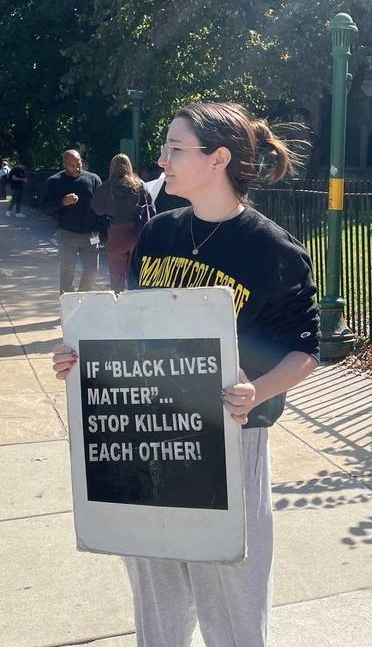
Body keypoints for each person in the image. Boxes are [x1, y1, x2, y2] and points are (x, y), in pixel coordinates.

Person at [51, 102, 319, 646]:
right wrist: (83, 357)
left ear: (218, 158)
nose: (162, 158)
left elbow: (305, 351)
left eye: (176, 148)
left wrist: (256, 391)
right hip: (149, 431)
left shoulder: (273, 250)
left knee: (232, 586)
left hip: (230, 435)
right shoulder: (160, 234)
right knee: (155, 581)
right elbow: (135, 328)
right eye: (165, 147)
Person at [43, 150, 103, 292]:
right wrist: (62, 202)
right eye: (72, 165)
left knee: (92, 271)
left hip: (91, 235)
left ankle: (80, 300)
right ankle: (68, 305)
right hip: (67, 234)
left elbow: (102, 206)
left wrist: (104, 232)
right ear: (64, 165)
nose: (76, 168)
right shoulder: (54, 181)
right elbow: (45, 208)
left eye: (79, 164)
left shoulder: (93, 179)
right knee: (67, 272)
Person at [91, 154, 153, 291]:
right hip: (136, 234)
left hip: (115, 235)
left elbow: (97, 210)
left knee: (116, 277)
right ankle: (134, 305)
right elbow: (151, 209)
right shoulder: (140, 186)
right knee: (135, 276)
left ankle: (118, 303)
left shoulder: (106, 187)